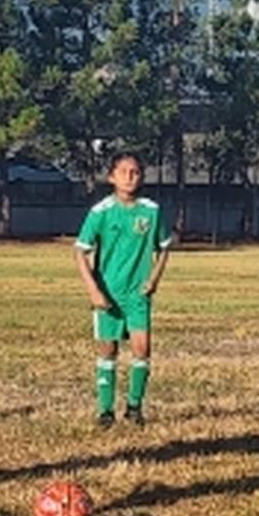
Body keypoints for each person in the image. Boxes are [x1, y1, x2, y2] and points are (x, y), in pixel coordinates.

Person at [75, 151, 173, 427]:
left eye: (135, 172)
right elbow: (79, 252)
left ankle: (134, 407)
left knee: (142, 348)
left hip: (137, 294)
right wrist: (93, 290)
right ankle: (105, 410)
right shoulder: (101, 212)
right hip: (108, 294)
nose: (130, 177)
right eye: (124, 172)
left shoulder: (151, 211)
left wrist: (154, 279)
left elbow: (165, 247)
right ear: (112, 177)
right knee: (108, 350)